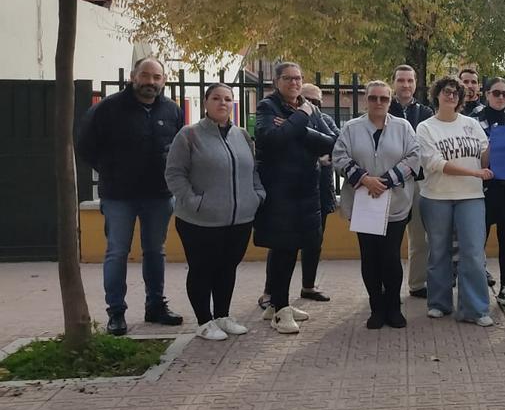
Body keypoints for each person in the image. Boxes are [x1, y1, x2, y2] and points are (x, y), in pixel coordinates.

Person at [77, 56, 185, 336]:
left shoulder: (172, 111)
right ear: (133, 77)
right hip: (118, 195)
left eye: (157, 77)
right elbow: (85, 146)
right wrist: (110, 170)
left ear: (163, 81)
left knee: (155, 252)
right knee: (116, 252)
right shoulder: (107, 109)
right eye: (145, 76)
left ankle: (156, 307)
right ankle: (116, 313)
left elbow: (178, 150)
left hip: (159, 195)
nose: (150, 82)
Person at [164, 83, 263, 341]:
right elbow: (174, 173)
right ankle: (204, 321)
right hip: (200, 220)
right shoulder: (189, 135)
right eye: (216, 98)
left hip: (239, 219)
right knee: (202, 269)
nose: (223, 103)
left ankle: (222, 315)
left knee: (227, 268)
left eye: (228, 99)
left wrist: (256, 196)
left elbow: (253, 171)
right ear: (206, 102)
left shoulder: (242, 136)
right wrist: (194, 201)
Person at [253, 62, 337, 333]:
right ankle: (280, 309)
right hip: (280, 191)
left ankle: (277, 306)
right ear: (276, 82)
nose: (295, 84)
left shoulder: (308, 109)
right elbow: (271, 139)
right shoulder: (269, 107)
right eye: (288, 79)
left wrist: (295, 127)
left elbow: (331, 141)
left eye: (299, 78)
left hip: (305, 189)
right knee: (283, 250)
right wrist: (300, 117)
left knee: (294, 248)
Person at [333, 81, 422, 329]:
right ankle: (376, 308)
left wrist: (384, 181)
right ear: (365, 100)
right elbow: (339, 157)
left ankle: (393, 307)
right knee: (370, 257)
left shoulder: (403, 127)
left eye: (384, 98)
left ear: (390, 100)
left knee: (391, 256)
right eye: (373, 98)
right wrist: (364, 179)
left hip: (395, 203)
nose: (379, 102)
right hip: (364, 203)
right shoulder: (351, 128)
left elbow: (415, 156)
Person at [416, 76, 495, 327]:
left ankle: (475, 309)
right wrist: (474, 173)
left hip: (471, 196)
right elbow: (435, 164)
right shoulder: (426, 127)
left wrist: (499, 146)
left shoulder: (471, 124)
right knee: (439, 251)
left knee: (473, 252)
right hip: (436, 196)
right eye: (446, 92)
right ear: (437, 95)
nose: (451, 96)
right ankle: (438, 303)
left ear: (461, 99)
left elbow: (484, 157)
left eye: (455, 93)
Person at [475, 77, 505, 307]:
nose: (501, 97)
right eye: (496, 93)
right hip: (481, 189)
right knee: (478, 240)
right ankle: (477, 287)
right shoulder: (473, 119)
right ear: (486, 94)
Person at [389, 65, 435, 299]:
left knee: (418, 237)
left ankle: (417, 284)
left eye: (410, 80)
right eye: (401, 80)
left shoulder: (426, 113)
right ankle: (385, 287)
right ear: (394, 83)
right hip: (389, 182)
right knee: (386, 238)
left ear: (416, 83)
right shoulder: (383, 108)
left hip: (417, 182)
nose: (405, 85)